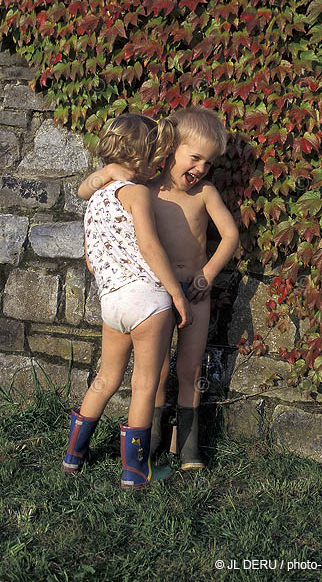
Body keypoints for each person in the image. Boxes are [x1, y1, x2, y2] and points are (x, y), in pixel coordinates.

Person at [78, 106, 239, 471]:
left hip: (196, 291)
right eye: (195, 158)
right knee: (157, 370)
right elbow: (93, 201)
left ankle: (188, 445)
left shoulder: (206, 193)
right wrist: (106, 172)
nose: (201, 169)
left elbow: (230, 236)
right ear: (170, 150)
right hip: (157, 292)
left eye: (208, 163)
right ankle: (148, 439)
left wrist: (208, 274)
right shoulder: (143, 189)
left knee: (190, 369)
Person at [63, 113, 193, 490]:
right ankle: (136, 471)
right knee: (144, 385)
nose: (160, 164)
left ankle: (74, 455)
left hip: (112, 302)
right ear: (140, 155)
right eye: (157, 156)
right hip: (147, 300)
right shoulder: (136, 194)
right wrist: (176, 292)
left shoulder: (96, 201)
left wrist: (103, 174)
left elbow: (91, 258)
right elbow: (150, 248)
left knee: (105, 378)